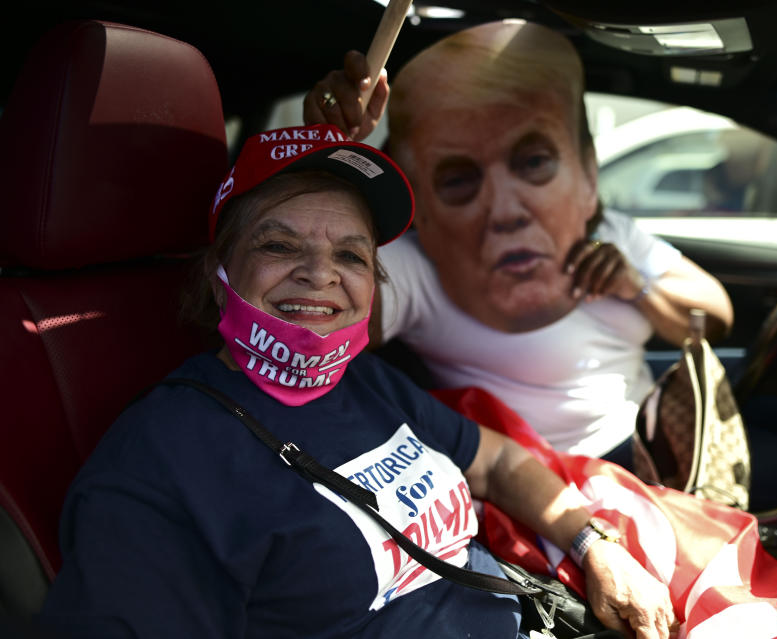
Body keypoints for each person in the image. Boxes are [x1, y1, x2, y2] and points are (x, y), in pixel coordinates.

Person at [37, 123, 677, 639]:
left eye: (351, 254)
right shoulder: (161, 464)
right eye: (280, 246)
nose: (322, 274)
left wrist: (597, 547)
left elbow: (502, 463)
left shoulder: (365, 381)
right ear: (217, 273)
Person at [303, 20, 734, 468]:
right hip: (542, 485)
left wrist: (639, 288)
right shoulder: (416, 268)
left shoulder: (613, 235)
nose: (505, 210)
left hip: (654, 449)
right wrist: (327, 152)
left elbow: (716, 319)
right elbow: (301, 330)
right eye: (458, 181)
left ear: (587, 175)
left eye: (533, 162)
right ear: (423, 212)